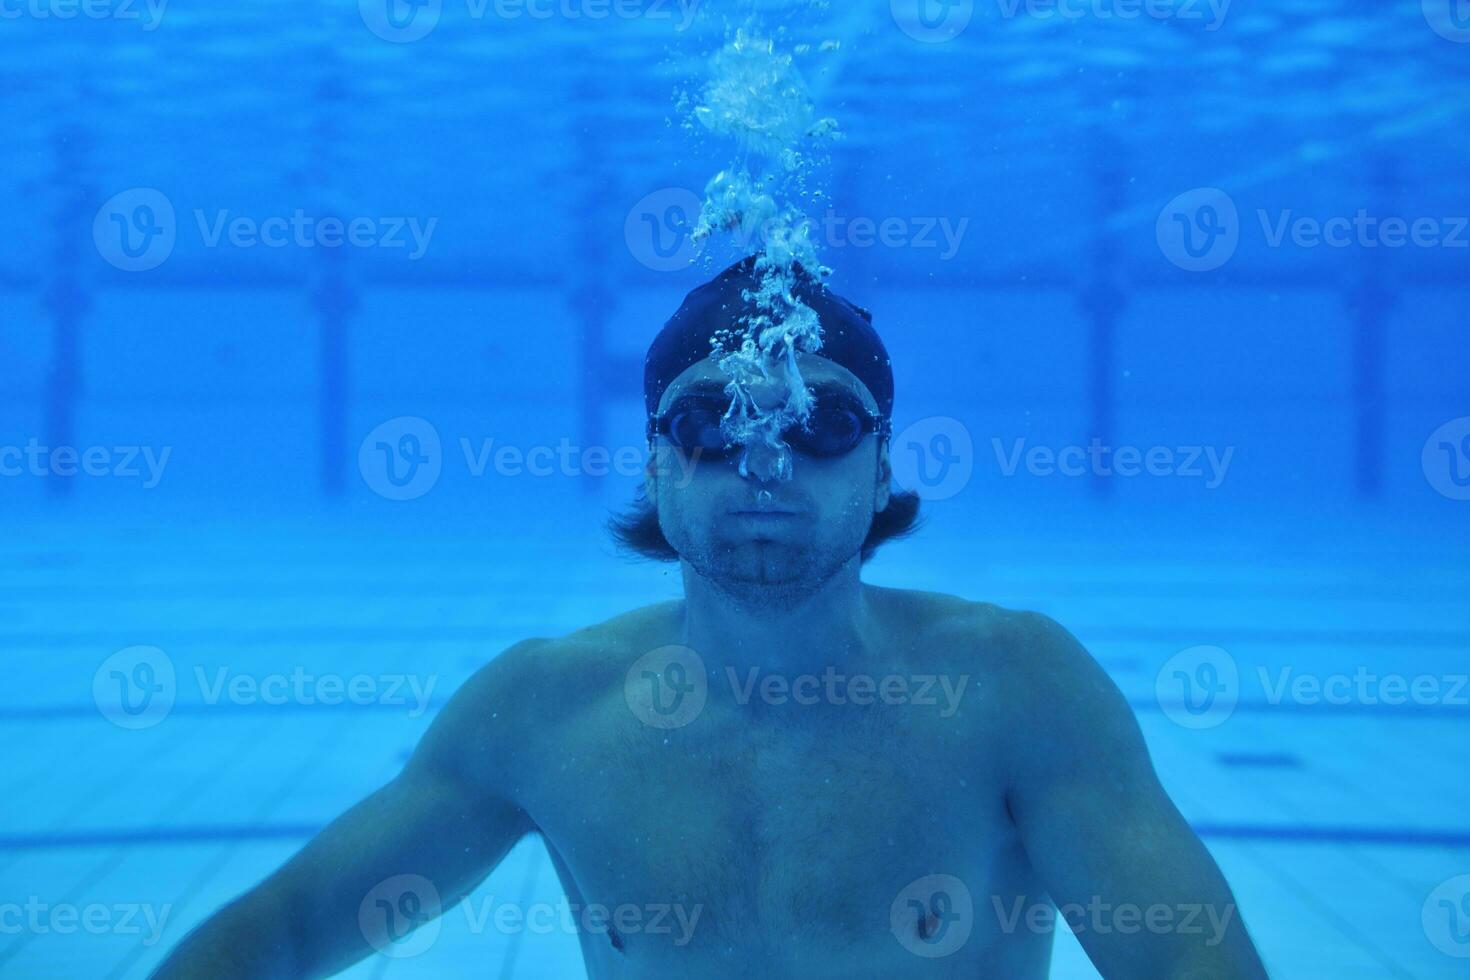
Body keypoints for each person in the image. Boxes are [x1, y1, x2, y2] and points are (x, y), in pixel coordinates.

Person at [151, 257, 1269, 978]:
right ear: (656, 460)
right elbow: (288, 929)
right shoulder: (545, 711)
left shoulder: (1016, 688)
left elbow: (1191, 967)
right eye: (711, 424)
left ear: (883, 467)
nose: (764, 465)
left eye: (821, 421)